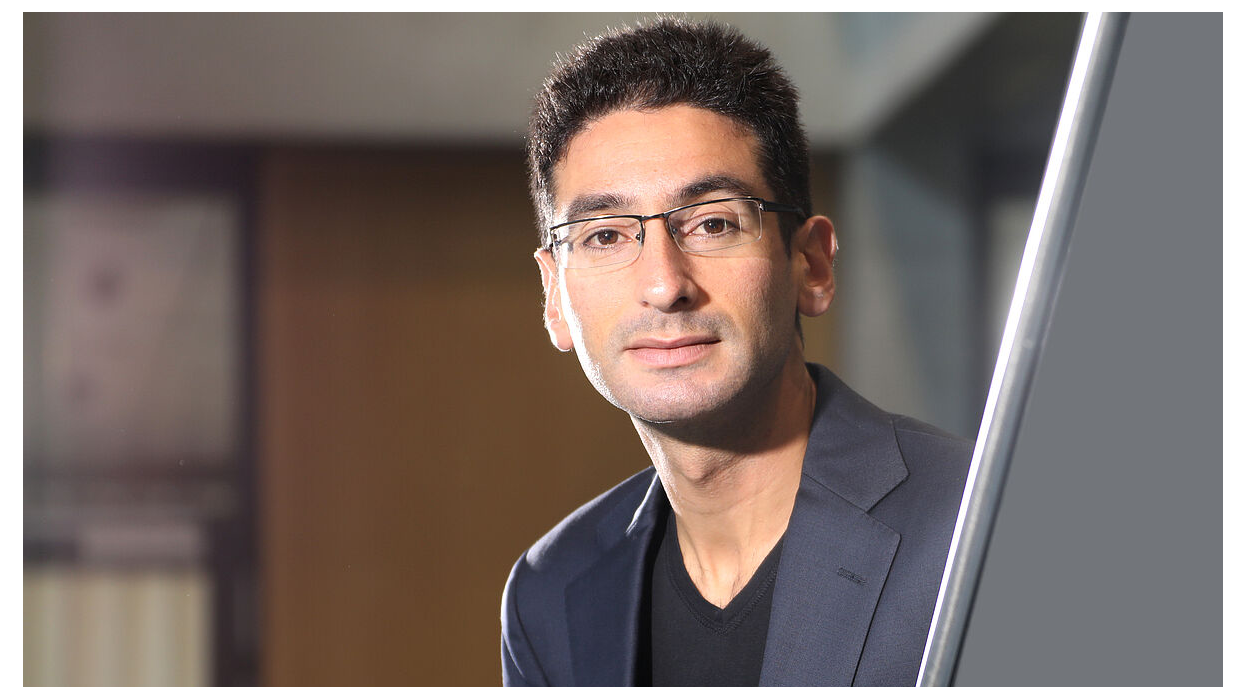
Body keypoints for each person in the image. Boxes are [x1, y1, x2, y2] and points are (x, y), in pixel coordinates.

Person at [501, 17, 971, 687]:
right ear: (554, 296)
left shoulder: (978, 527)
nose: (664, 285)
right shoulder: (551, 590)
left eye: (712, 222)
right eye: (604, 236)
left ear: (809, 264)